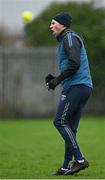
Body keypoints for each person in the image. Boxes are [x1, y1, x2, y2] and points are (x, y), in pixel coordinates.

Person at [45, 12, 93, 176]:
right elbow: (71, 65)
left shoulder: (70, 37)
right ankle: (66, 166)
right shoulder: (66, 39)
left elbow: (74, 64)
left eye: (53, 23)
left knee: (59, 121)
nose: (50, 26)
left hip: (77, 86)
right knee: (70, 128)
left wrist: (57, 81)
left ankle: (79, 160)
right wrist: (55, 79)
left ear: (62, 24)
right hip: (80, 86)